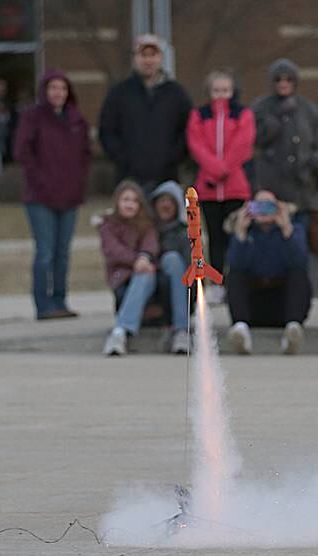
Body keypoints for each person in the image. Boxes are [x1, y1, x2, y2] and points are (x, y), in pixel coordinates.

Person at [13, 69, 91, 320]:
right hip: (40, 197)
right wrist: (41, 181)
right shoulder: (32, 118)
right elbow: (21, 151)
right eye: (53, 88)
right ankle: (43, 304)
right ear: (45, 91)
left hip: (69, 196)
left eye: (63, 88)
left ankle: (60, 300)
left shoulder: (76, 120)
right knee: (45, 252)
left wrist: (79, 181)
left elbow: (86, 155)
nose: (58, 93)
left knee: (63, 253)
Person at [186, 69, 256, 304]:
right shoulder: (199, 115)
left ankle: (236, 281)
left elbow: (243, 145)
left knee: (237, 236)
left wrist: (224, 168)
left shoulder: (243, 114)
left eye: (225, 90)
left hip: (236, 187)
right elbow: (196, 145)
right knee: (214, 237)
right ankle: (217, 283)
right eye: (217, 90)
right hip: (207, 188)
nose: (221, 95)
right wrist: (215, 169)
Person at [99, 34, 192, 193]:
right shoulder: (119, 93)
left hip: (167, 179)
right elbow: (107, 131)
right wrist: (125, 159)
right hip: (129, 181)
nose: (148, 60)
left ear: (160, 58)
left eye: (153, 55)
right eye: (143, 55)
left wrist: (172, 158)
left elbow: (188, 130)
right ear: (134, 58)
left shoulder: (176, 93)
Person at [225, 190, 311, 355]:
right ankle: (241, 330)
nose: (264, 211)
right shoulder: (245, 232)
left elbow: (299, 261)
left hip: (283, 303)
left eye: (269, 206)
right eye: (259, 206)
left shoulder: (295, 230)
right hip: (254, 303)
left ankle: (292, 331)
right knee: (236, 274)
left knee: (298, 274)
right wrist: (240, 233)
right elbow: (236, 263)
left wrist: (286, 229)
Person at [252, 58, 318, 216]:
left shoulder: (307, 108)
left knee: (302, 229)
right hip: (270, 183)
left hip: (302, 183)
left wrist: (314, 160)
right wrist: (277, 118)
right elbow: (256, 140)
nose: (283, 84)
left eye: (289, 79)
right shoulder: (261, 107)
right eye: (278, 79)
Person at [99, 181, 160, 356]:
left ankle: (119, 332)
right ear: (117, 202)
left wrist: (144, 257)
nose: (129, 204)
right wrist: (136, 261)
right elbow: (112, 250)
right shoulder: (107, 225)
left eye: (134, 201)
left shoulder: (147, 225)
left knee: (145, 275)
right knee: (143, 272)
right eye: (125, 199)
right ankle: (122, 329)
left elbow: (151, 245)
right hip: (121, 276)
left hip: (144, 274)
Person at [149, 181, 193, 353]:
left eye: (170, 201)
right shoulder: (146, 230)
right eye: (162, 201)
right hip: (150, 285)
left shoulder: (185, 234)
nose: (165, 205)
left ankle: (182, 330)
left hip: (177, 288)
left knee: (173, 259)